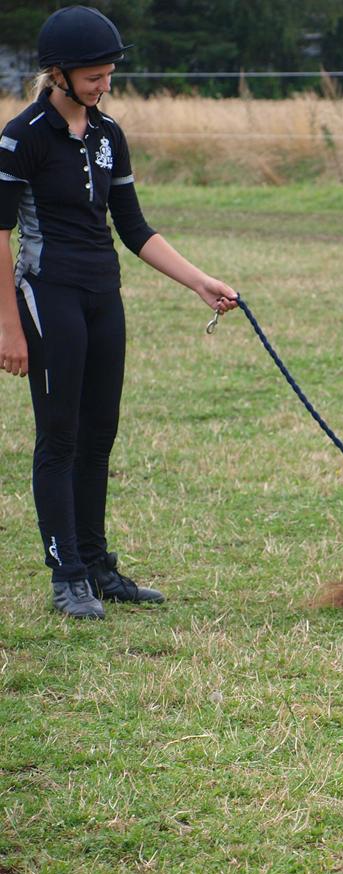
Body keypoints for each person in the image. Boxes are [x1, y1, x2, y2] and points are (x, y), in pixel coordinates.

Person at [0, 6, 238, 619]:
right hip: (47, 294)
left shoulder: (109, 136)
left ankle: (98, 567)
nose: (103, 86)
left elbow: (133, 228)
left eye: (108, 75)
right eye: (92, 77)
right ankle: (66, 575)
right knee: (59, 439)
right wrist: (9, 329)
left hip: (103, 296)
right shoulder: (21, 137)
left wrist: (200, 282)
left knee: (98, 438)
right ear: (58, 74)